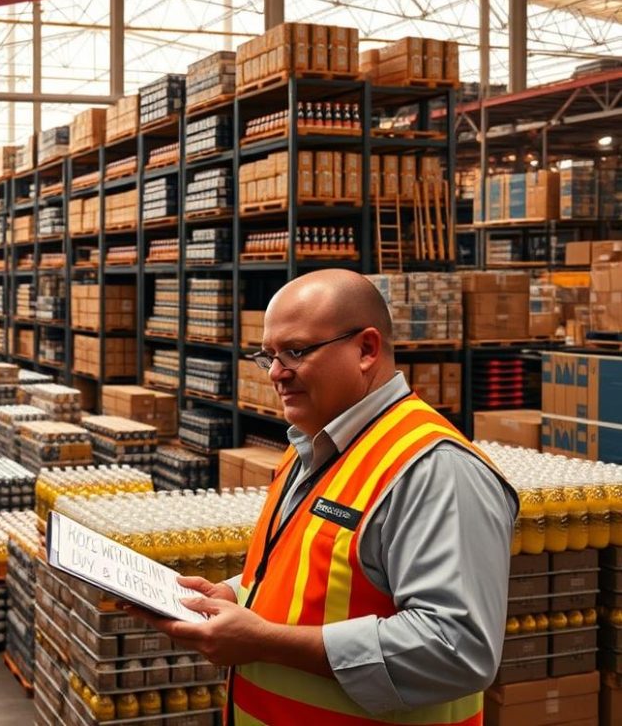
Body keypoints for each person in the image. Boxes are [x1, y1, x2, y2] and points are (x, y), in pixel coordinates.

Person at [129, 269, 519, 724]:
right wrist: (236, 595)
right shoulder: (314, 446)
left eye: (296, 352)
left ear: (366, 350)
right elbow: (314, 576)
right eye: (268, 355)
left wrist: (265, 641)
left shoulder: (435, 471)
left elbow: (457, 649)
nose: (276, 373)